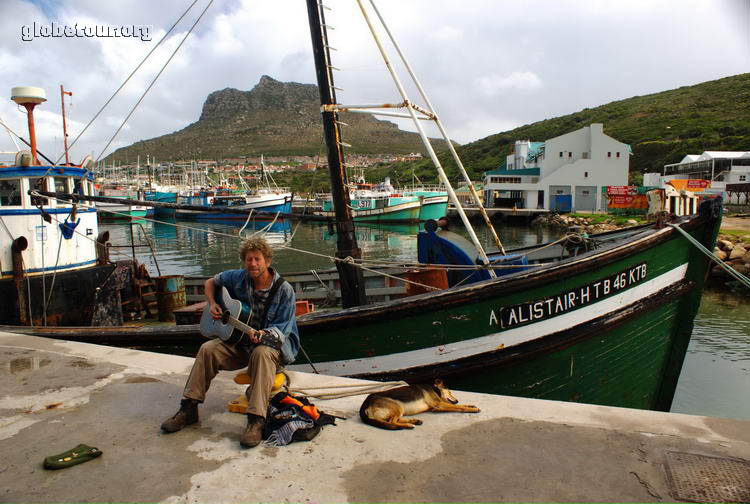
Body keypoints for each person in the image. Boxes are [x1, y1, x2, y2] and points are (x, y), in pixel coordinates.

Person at [160, 237, 300, 448]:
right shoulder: (238, 278)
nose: (252, 264)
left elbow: (282, 331)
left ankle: (256, 420)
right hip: (241, 344)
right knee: (207, 349)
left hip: (272, 349)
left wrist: (263, 334)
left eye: (257, 259)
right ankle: (188, 408)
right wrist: (213, 303)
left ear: (268, 261)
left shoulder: (284, 290)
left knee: (262, 352)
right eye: (248, 259)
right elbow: (211, 282)